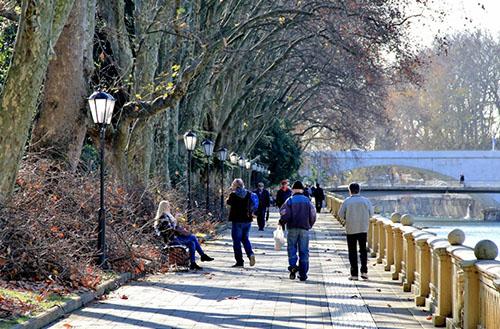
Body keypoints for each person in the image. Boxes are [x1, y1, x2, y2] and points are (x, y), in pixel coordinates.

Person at [154, 200, 213, 271]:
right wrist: (175, 220)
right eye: (169, 206)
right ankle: (202, 256)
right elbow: (170, 231)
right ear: (165, 207)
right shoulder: (163, 217)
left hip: (173, 238)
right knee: (193, 237)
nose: (170, 208)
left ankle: (193, 263)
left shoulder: (167, 216)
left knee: (192, 243)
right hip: (171, 240)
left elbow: (173, 228)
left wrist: (175, 220)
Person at [278, 180, 316, 281]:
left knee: (292, 248)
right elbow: (313, 215)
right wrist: (309, 225)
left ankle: (293, 265)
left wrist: (282, 222)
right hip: (304, 229)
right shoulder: (307, 201)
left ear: (293, 190)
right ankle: (303, 274)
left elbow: (284, 213)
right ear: (302, 190)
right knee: (304, 251)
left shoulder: (290, 200)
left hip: (292, 228)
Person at [337, 183, 374, 281]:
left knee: (352, 251)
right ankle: (364, 271)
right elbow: (372, 214)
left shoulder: (347, 202)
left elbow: (340, 215)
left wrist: (347, 217)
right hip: (363, 228)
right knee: (363, 250)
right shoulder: (366, 201)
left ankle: (354, 274)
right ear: (359, 190)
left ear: (350, 191)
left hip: (351, 229)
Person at [226, 178, 256, 268]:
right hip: (247, 220)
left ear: (235, 186)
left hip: (237, 221)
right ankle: (250, 254)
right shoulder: (248, 194)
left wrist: (230, 193)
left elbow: (228, 202)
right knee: (245, 239)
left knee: (237, 241)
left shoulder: (233, 195)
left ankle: (239, 261)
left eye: (233, 185)